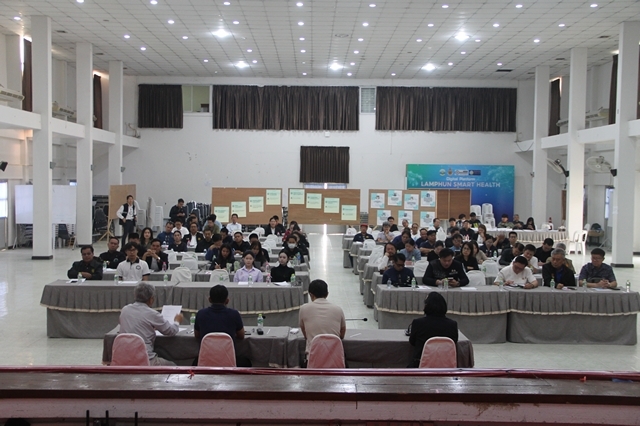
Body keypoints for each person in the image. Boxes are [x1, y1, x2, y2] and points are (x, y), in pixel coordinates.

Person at [119, 283, 183, 366]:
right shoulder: (152, 314)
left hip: (124, 358)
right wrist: (177, 321)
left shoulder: (125, 309)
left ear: (135, 295)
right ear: (151, 299)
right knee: (174, 367)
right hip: (145, 360)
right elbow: (171, 331)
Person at [194, 284, 250, 367]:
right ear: (227, 301)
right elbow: (241, 336)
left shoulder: (201, 314)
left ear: (209, 299)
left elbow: (197, 335)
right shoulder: (234, 314)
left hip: (205, 361)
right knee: (247, 362)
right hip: (229, 360)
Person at [408, 292, 458, 368]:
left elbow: (412, 342)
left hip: (419, 365)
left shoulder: (418, 323)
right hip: (446, 366)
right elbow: (454, 342)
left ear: (427, 306)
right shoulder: (452, 324)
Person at [298, 279, 346, 356]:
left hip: (313, 356)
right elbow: (342, 332)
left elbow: (304, 331)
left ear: (311, 295)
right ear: (327, 294)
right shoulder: (338, 309)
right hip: (335, 356)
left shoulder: (304, 309)